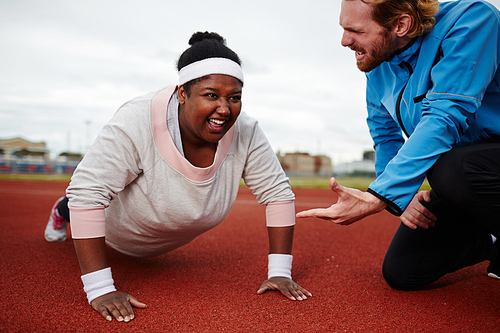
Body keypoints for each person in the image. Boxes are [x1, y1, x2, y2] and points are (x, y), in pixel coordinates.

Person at [44, 31, 311, 323]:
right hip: (117, 228)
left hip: (161, 235)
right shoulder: (138, 119)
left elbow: (278, 195)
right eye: (211, 95)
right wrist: (99, 289)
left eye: (234, 97)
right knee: (76, 203)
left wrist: (280, 272)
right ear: (182, 93)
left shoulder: (245, 130)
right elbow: (87, 193)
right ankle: (62, 210)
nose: (224, 108)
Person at [297, 0, 500, 291]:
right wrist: (401, 197)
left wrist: (381, 195)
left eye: (355, 30)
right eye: (343, 29)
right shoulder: (378, 67)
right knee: (404, 270)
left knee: (451, 168)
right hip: (470, 176)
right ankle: (494, 242)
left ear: (401, 25)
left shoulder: (473, 20)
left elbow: (445, 114)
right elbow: (385, 136)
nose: (344, 41)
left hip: (477, 166)